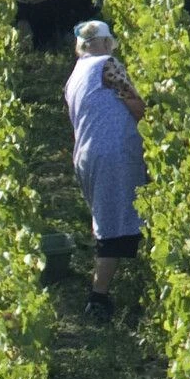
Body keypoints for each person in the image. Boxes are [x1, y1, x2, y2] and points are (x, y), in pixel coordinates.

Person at [64, 20, 148, 323]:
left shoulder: (75, 74)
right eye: (108, 43)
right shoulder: (107, 65)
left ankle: (118, 289)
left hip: (86, 154)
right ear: (102, 43)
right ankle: (98, 299)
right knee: (112, 226)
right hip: (113, 153)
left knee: (109, 218)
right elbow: (135, 104)